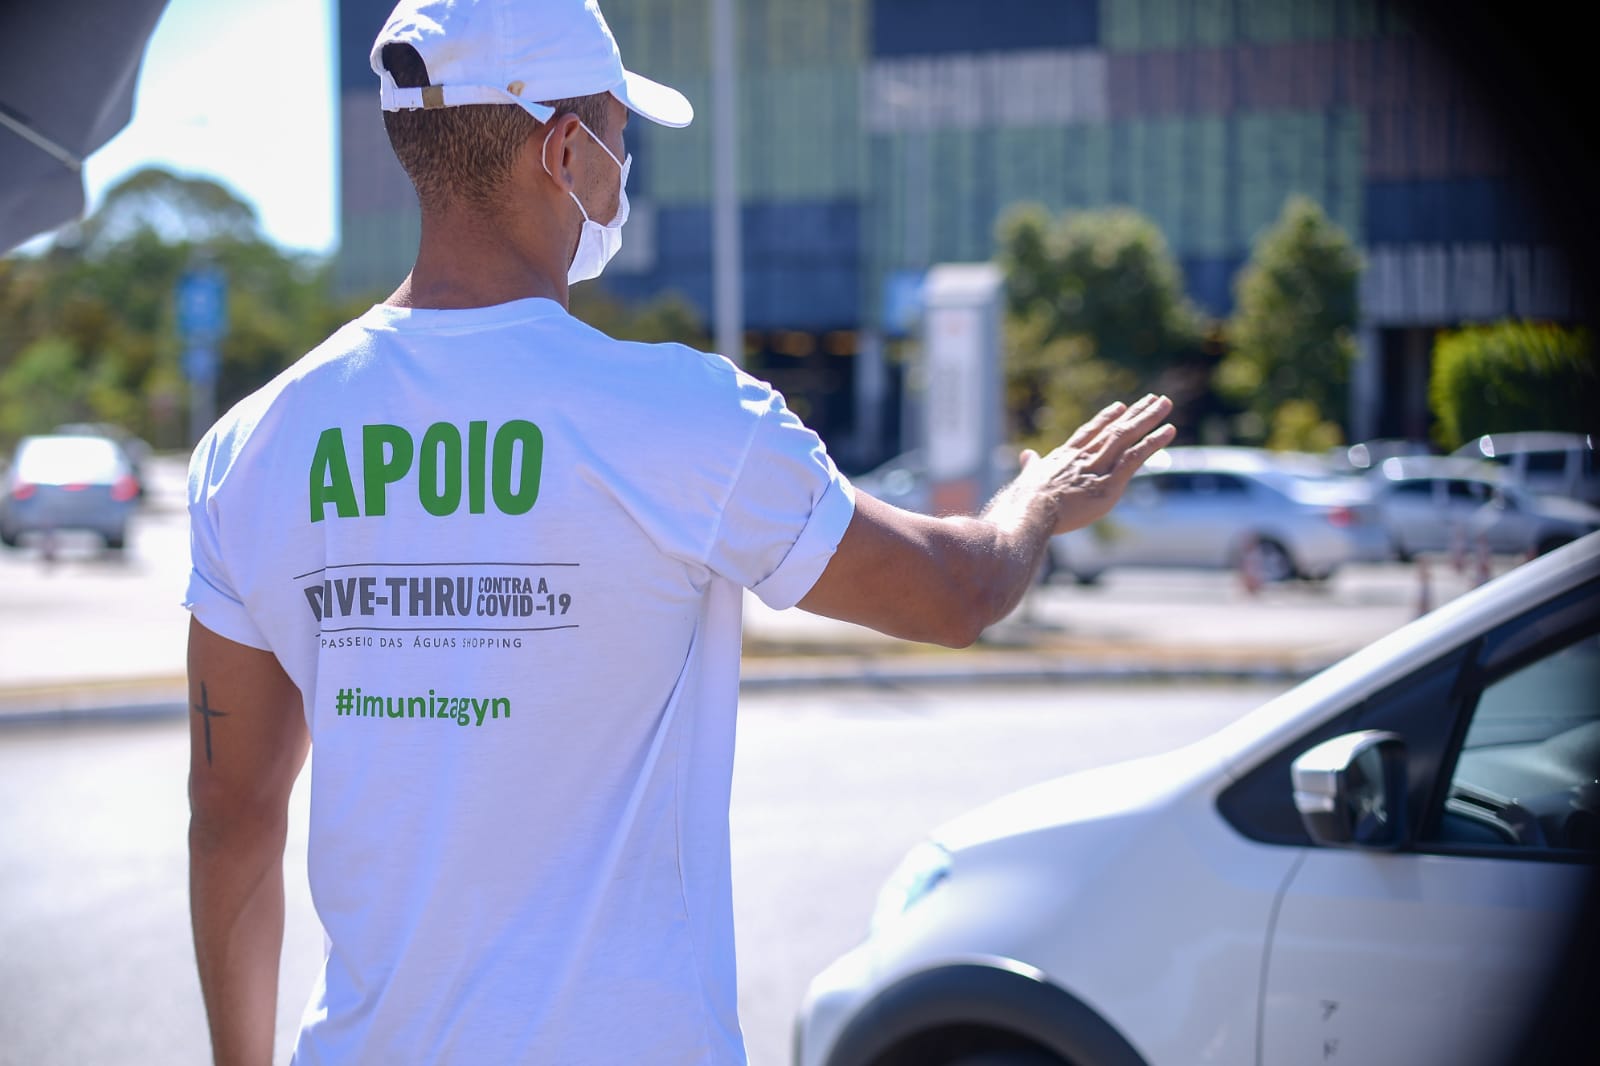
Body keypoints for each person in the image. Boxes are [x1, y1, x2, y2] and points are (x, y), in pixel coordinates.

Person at [182, 1, 1176, 1062]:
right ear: (565, 151)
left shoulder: (254, 444)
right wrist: (1038, 499)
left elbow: (232, 814)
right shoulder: (689, 419)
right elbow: (956, 594)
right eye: (620, 138)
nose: (624, 173)